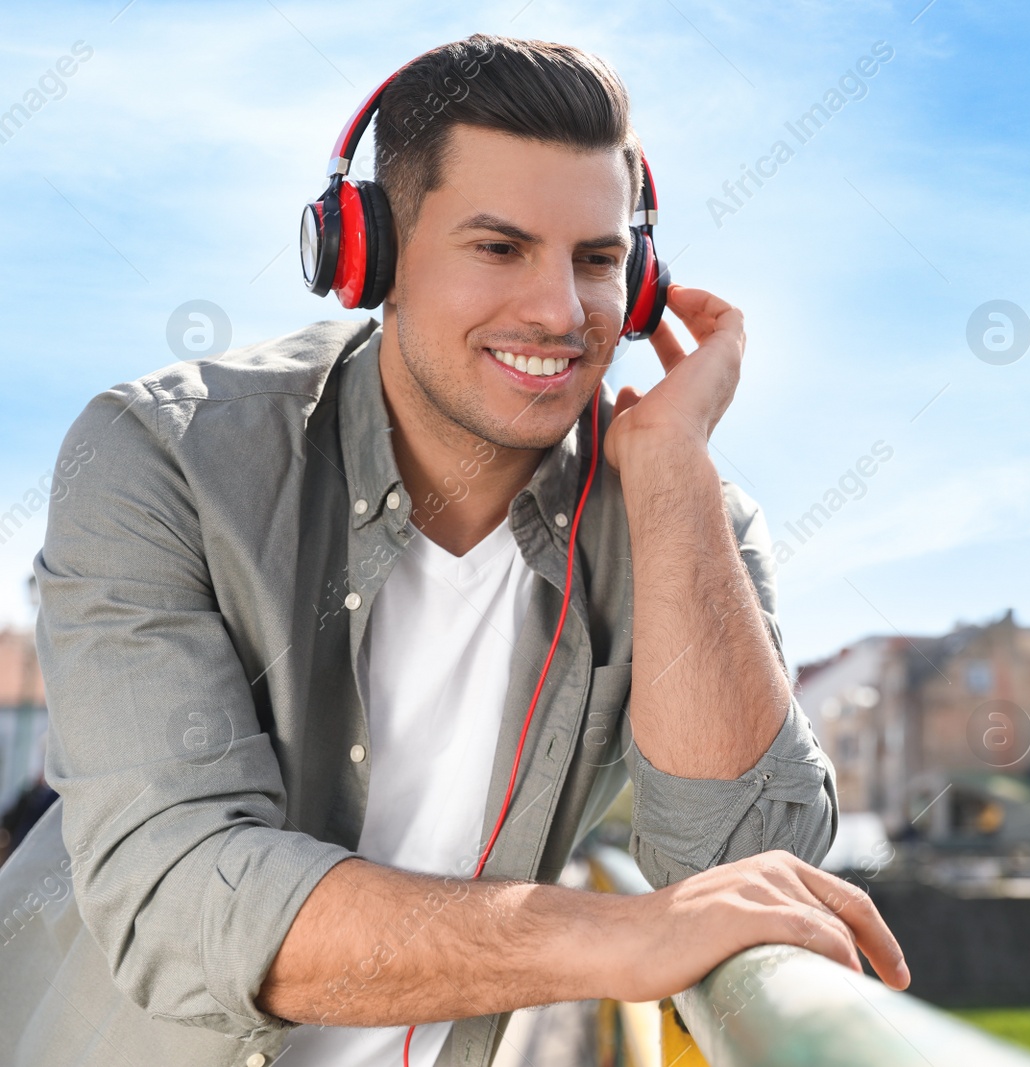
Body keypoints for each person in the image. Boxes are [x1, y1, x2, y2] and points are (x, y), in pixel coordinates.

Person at [0, 34, 906, 1067]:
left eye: (598, 260)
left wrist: (670, 476)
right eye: (499, 247)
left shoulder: (680, 512)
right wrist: (613, 936)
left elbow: (747, 878)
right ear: (370, 257)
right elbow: (180, 894)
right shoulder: (160, 457)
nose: (561, 313)